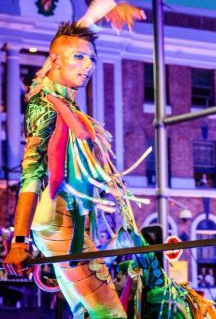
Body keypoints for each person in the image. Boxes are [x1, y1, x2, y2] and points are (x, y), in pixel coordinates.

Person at [2, 22, 127, 318]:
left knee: (85, 312)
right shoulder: (45, 105)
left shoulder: (63, 102)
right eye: (80, 57)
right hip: (60, 222)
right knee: (110, 314)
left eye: (92, 59)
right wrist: (19, 242)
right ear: (56, 60)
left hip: (71, 219)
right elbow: (31, 173)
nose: (88, 66)